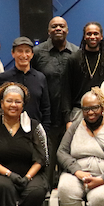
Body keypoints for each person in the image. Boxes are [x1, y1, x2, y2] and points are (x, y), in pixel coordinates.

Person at [33, 17, 78, 184]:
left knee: (70, 161)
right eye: (54, 26)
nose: (58, 28)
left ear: (67, 30)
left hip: (71, 118)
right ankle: (46, 203)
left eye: (62, 26)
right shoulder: (37, 54)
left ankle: (67, 205)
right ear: (48, 31)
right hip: (46, 118)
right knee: (47, 163)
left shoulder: (76, 52)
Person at [62, 22, 104, 124]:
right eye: (89, 34)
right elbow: (66, 91)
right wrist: (67, 120)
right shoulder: (73, 59)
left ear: (101, 36)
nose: (92, 37)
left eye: (95, 34)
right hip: (79, 112)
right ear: (84, 37)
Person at [0, 37, 51, 130]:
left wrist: (44, 131)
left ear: (32, 54)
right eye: (20, 51)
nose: (24, 55)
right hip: (8, 130)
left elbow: (46, 108)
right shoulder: (3, 78)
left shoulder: (40, 78)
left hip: (34, 131)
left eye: (27, 51)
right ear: (13, 53)